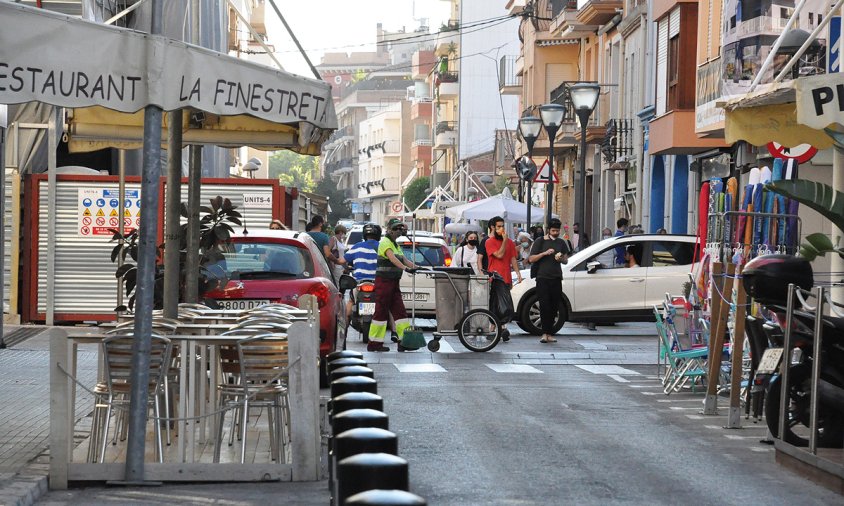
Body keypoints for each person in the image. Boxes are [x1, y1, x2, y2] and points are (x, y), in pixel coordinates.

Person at [368, 218, 418, 352]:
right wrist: (406, 269)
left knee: (400, 312)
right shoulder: (385, 242)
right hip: (384, 282)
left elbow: (404, 259)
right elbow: (392, 258)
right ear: (389, 229)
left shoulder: (395, 244)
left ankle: (404, 342)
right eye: (395, 228)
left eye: (399, 229)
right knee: (381, 313)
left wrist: (418, 267)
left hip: (394, 283)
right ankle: (374, 344)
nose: (398, 231)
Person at [528, 218, 569, 343]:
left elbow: (566, 260)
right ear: (548, 230)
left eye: (557, 230)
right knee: (544, 305)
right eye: (553, 230)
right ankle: (544, 333)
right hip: (542, 277)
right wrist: (544, 253)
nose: (555, 233)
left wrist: (560, 258)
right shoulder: (540, 241)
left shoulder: (561, 243)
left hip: (556, 277)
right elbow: (531, 259)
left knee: (554, 306)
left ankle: (550, 333)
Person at [485, 216, 523, 286]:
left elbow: (513, 259)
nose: (501, 229)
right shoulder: (489, 242)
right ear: (493, 228)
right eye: (499, 226)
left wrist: (518, 273)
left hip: (507, 278)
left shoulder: (510, 242)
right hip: (495, 278)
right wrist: (505, 241)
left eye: (503, 226)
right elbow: (499, 255)